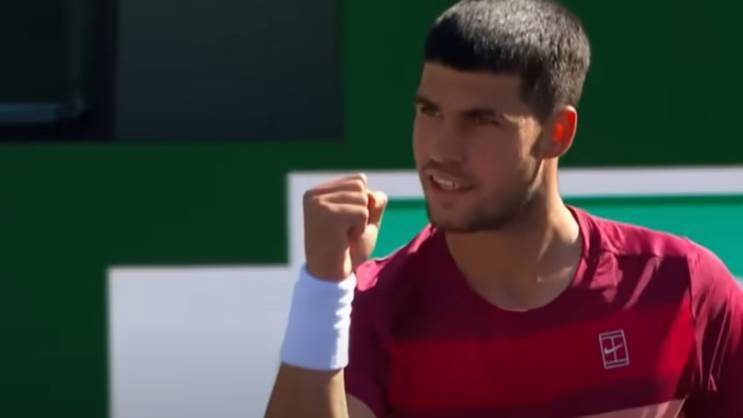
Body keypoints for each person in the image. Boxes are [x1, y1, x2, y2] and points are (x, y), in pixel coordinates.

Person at [265, 0, 743, 417]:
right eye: (429, 111)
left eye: (481, 121)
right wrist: (324, 286)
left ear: (557, 133)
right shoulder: (368, 308)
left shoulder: (682, 285)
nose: (441, 150)